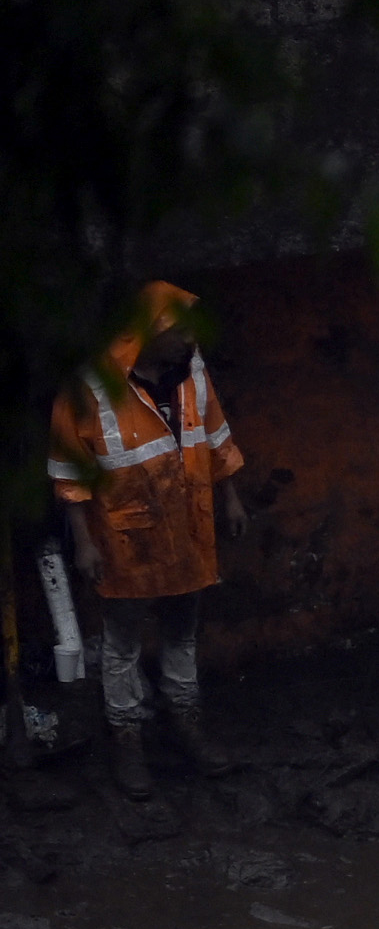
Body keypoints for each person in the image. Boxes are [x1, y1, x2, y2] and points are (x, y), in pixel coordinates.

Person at [44, 283, 238, 793]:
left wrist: (232, 498)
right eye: (179, 333)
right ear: (151, 333)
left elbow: (215, 434)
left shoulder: (192, 372)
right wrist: (85, 544)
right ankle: (127, 739)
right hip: (125, 538)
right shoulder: (91, 388)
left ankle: (187, 724)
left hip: (188, 529)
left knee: (182, 631)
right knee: (122, 641)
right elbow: (70, 472)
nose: (189, 342)